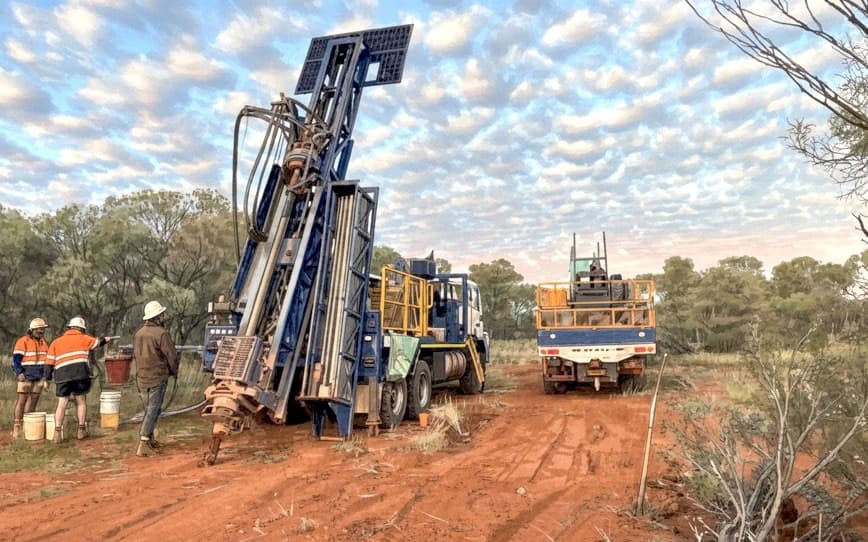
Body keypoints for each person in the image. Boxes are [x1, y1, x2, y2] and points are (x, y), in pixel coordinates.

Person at [46, 317, 110, 443]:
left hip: (62, 376)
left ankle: (57, 433)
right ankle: (81, 430)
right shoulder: (84, 338)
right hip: (80, 374)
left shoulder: (56, 342)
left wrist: (47, 379)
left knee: (62, 404)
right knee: (81, 401)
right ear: (81, 328)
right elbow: (97, 343)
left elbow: (49, 363)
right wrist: (105, 340)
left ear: (69, 328)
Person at [133, 301, 178, 457]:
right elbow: (171, 355)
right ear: (158, 317)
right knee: (153, 410)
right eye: (162, 314)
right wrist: (174, 371)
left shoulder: (139, 333)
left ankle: (150, 439)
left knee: (149, 410)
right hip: (157, 377)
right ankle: (143, 442)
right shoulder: (161, 333)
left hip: (141, 378)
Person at [10, 318, 50, 439]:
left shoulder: (44, 343)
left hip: (39, 377)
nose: (41, 331)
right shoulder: (23, 341)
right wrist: (18, 372)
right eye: (39, 329)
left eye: (43, 329)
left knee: (33, 401)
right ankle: (17, 427)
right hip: (25, 376)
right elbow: (16, 360)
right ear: (32, 330)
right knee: (21, 401)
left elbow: (47, 361)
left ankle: (28, 427)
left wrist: (46, 378)